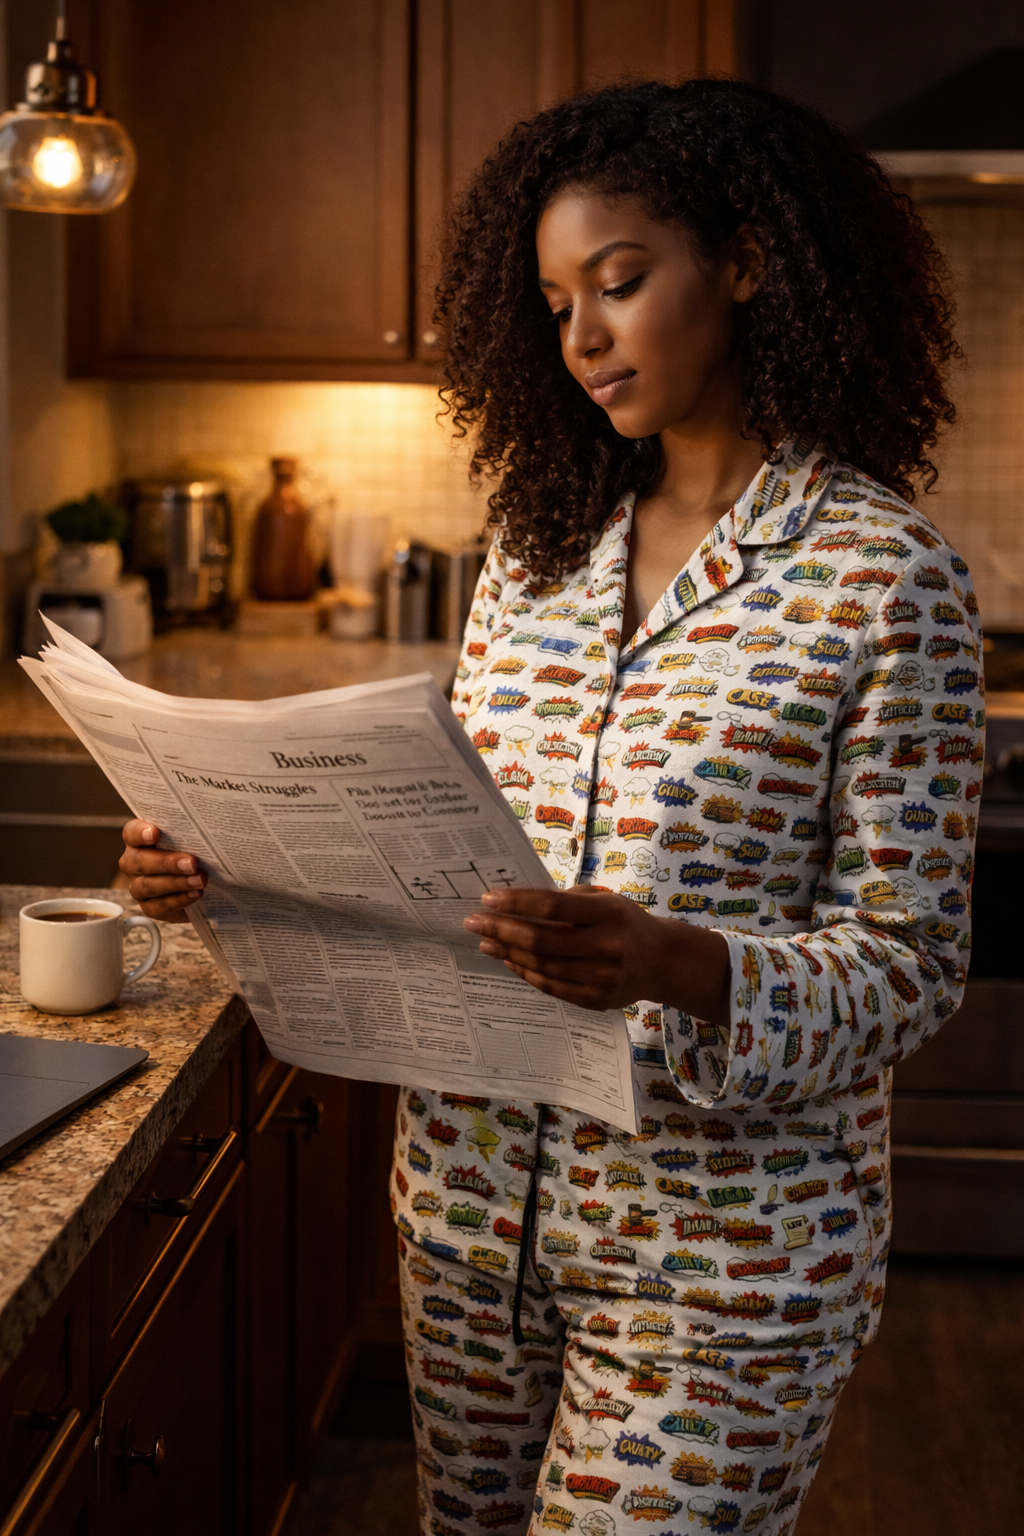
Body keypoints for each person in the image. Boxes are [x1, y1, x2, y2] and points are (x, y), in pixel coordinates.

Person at [121, 79, 980, 1536]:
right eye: (553, 299)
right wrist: (228, 863)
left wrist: (679, 962)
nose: (580, 336)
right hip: (466, 1218)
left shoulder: (885, 578)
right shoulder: (532, 557)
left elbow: (912, 961)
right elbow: (438, 865)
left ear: (750, 264)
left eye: (621, 284)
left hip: (727, 1260)